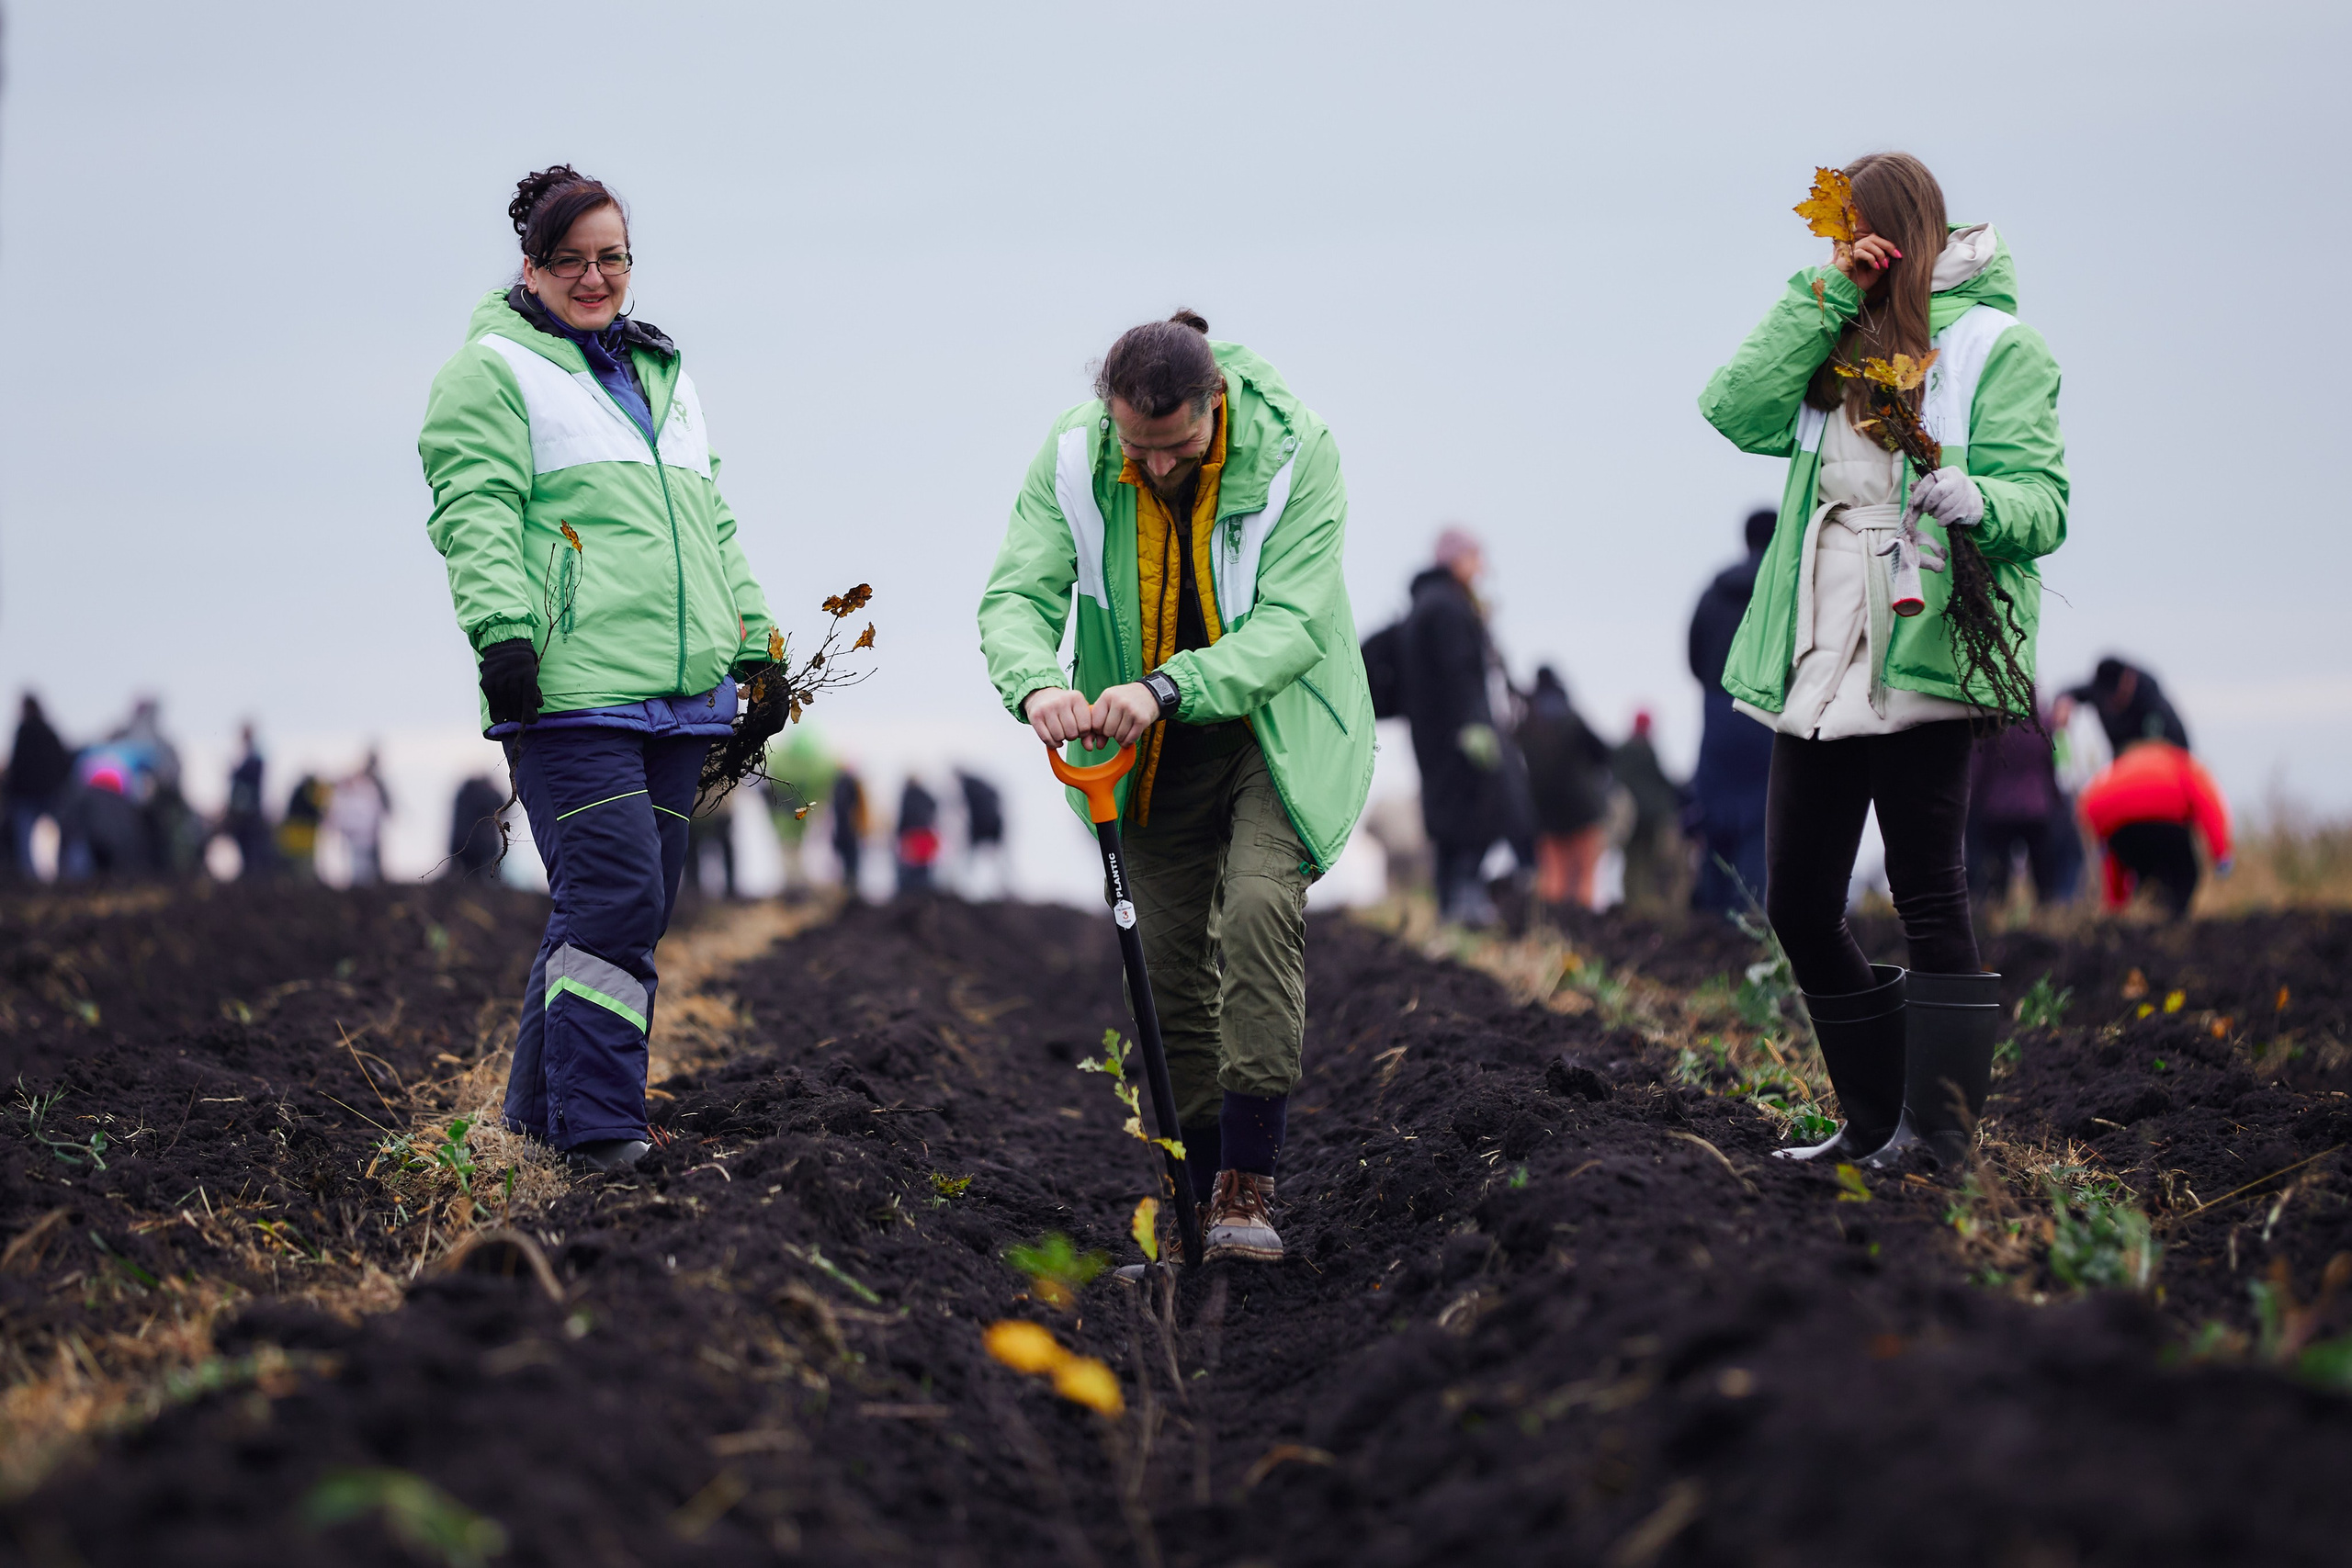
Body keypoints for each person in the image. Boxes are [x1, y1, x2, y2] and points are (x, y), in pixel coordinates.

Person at [978, 308, 1373, 1264]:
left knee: (1253, 909)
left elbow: (1290, 626)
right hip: (1144, 745)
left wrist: (1168, 686)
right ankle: (1194, 1188)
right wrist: (1036, 682)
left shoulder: (1292, 452)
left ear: (1214, 404)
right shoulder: (1074, 458)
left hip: (1273, 729)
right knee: (1161, 964)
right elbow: (1017, 595)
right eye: (1136, 445)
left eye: (1177, 444)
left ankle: (1248, 1184)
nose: (1155, 465)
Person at [1699, 152, 2067, 1169]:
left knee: (1927, 890)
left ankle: (1936, 1136)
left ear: (1897, 231)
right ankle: (1874, 1121)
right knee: (1798, 901)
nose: (1835, 248)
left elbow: (2046, 505)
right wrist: (1825, 294)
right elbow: (1732, 407)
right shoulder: (1834, 333)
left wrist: (1978, 501)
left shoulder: (1999, 345)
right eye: (1827, 238)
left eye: (1847, 232)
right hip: (1820, 638)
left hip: (1928, 631)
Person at [420, 165, 785, 1173]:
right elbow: (475, 513)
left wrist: (758, 645)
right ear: (531, 265)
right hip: (574, 697)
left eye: (611, 258)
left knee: (621, 908)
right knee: (617, 902)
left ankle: (533, 1123)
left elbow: (710, 523)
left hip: (678, 698)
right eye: (570, 260)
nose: (593, 278)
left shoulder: (663, 374)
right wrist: (503, 637)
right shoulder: (491, 371)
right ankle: (600, 1132)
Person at [1400, 528, 1532, 927]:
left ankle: (1450, 905)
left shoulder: (1428, 603)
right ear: (1456, 560)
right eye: (1475, 558)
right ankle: (1465, 904)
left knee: (1448, 817)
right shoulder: (1448, 607)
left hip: (1434, 733)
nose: (1480, 568)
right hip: (1458, 733)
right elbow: (1459, 673)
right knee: (1477, 813)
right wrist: (1475, 726)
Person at [1687, 510, 1778, 914]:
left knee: (1716, 814)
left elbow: (1692, 653)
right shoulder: (1784, 587)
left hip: (1719, 712)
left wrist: (1714, 688)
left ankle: (1711, 915)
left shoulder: (1714, 590)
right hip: (1767, 716)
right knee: (1760, 819)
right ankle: (1750, 917)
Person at [2077, 740, 2229, 919]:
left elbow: (2111, 853)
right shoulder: (2181, 762)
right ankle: (2175, 922)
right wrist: (2221, 855)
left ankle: (2153, 919)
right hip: (2165, 815)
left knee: (2147, 876)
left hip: (2112, 818)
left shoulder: (2118, 769)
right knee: (2186, 874)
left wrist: (2115, 905)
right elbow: (2207, 803)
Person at [1515, 667, 1612, 914]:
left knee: (1554, 877)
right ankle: (1583, 925)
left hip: (1544, 811)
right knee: (1584, 875)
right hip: (1582, 809)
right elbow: (1602, 754)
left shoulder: (1527, 723)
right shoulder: (1571, 718)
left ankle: (1553, 925)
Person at [1966, 712, 2068, 908]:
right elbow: (2050, 768)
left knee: (1995, 882)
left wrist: (1971, 803)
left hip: (1997, 809)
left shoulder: (1990, 725)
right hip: (2037, 808)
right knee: (2045, 882)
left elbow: (1978, 769)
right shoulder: (2043, 724)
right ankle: (2045, 922)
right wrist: (2056, 802)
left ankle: (1995, 923)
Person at [1611, 711, 1687, 915]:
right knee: (1645, 865)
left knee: (1632, 865)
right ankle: (1643, 911)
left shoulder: (1621, 753)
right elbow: (1663, 785)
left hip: (1629, 821)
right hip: (1649, 821)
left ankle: (1633, 907)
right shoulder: (1647, 752)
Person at [763, 730, 835, 903]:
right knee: (791, 849)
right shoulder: (818, 767)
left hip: (790, 815)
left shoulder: (781, 762)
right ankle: (795, 885)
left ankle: (795, 884)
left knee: (791, 849)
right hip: (793, 815)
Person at [2062, 657, 2189, 754]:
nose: (2110, 706)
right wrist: (2064, 703)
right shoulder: (2099, 691)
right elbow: (2070, 693)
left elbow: (2163, 747)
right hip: (2121, 766)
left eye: (2115, 698)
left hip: (2159, 766)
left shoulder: (2153, 705)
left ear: (2127, 681)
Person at [6, 695, 72, 880]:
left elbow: (17, 765)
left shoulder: (24, 731)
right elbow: (63, 762)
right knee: (56, 834)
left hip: (28, 795)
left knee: (26, 837)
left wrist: (12, 791)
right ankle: (61, 873)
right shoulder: (49, 732)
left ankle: (30, 875)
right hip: (50, 793)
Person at [327, 750, 392, 886]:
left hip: (367, 836)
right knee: (360, 869)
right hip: (359, 837)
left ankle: (371, 888)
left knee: (368, 867)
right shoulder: (361, 787)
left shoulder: (368, 786)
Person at [223, 725, 274, 880]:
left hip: (249, 811)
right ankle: (249, 877)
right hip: (242, 810)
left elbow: (250, 780)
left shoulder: (254, 757)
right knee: (245, 845)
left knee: (251, 846)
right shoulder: (247, 755)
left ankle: (253, 878)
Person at [956, 769, 1010, 900]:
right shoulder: (984, 788)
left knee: (976, 859)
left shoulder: (969, 787)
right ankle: (1004, 886)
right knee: (995, 860)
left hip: (982, 828)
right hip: (993, 827)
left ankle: (963, 889)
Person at [447, 773, 509, 881]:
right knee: (485, 878)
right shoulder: (491, 795)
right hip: (483, 846)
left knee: (465, 877)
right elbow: (503, 808)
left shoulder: (463, 793)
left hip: (461, 845)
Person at [895, 778, 941, 895]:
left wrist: (899, 834)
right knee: (923, 870)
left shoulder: (908, 795)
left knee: (911, 870)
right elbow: (934, 807)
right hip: (925, 835)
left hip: (913, 836)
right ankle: (923, 895)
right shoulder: (926, 796)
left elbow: (904, 816)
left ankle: (912, 897)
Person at [277, 774, 327, 880]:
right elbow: (315, 813)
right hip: (302, 835)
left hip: (299, 835)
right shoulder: (308, 794)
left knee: (298, 863)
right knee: (302, 864)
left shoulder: (299, 793)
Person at [830, 770, 869, 898]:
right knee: (851, 870)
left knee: (849, 870)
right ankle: (850, 896)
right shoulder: (851, 788)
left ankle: (850, 896)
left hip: (847, 835)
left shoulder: (842, 788)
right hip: (850, 836)